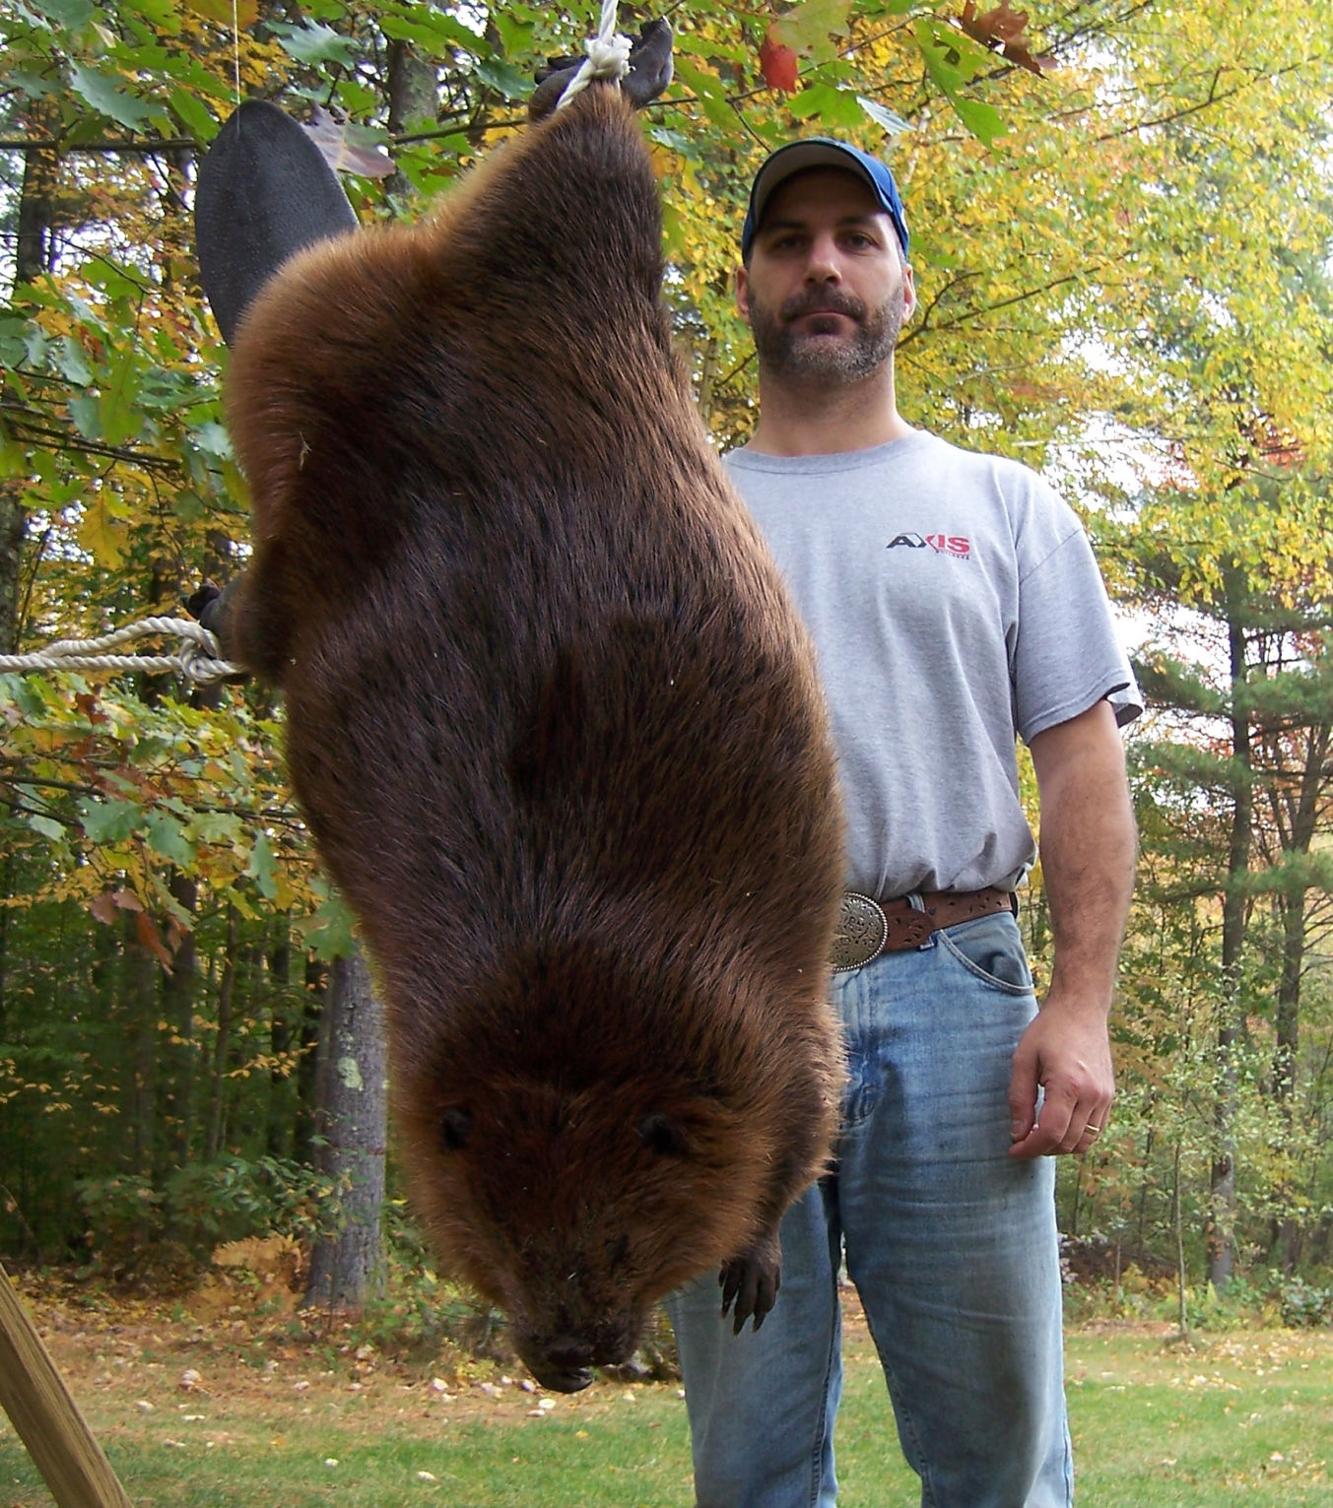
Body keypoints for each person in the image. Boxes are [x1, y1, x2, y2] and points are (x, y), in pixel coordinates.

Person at [665, 138, 1141, 1507]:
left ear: (903, 283)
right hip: (720, 1014)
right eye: (788, 241)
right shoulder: (670, 513)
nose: (822, 265)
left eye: (855, 239)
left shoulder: (1003, 506)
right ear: (745, 286)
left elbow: (1082, 771)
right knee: (748, 1467)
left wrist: (1081, 1006)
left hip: (959, 997)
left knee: (999, 1465)